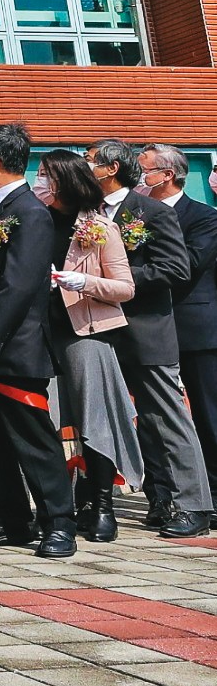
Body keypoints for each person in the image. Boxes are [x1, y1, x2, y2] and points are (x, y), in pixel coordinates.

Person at [0, 123, 77, 557]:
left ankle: (59, 523)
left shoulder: (30, 212)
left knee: (32, 438)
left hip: (13, 346)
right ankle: (11, 518)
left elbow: (20, 282)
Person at [86, 140, 211, 536]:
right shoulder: (85, 213)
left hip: (146, 328)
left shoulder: (152, 211)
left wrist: (115, 280)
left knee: (166, 417)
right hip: (98, 329)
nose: (84, 166)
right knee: (106, 417)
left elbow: (175, 269)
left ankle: (194, 505)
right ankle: (138, 500)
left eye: (90, 161)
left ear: (110, 168)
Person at [34, 151, 140, 541]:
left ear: (64, 180)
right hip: (38, 332)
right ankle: (56, 505)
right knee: (43, 419)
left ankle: (102, 504)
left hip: (85, 331)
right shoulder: (34, 220)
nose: (39, 181)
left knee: (94, 420)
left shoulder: (98, 228)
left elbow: (125, 288)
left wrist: (83, 283)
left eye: (45, 175)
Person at [139, 145, 217, 496]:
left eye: (144, 171)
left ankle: (213, 493)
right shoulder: (134, 216)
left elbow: (188, 265)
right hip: (148, 328)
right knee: (153, 417)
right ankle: (162, 494)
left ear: (167, 175)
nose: (139, 178)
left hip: (195, 329)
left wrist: (131, 272)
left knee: (208, 415)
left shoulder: (203, 217)